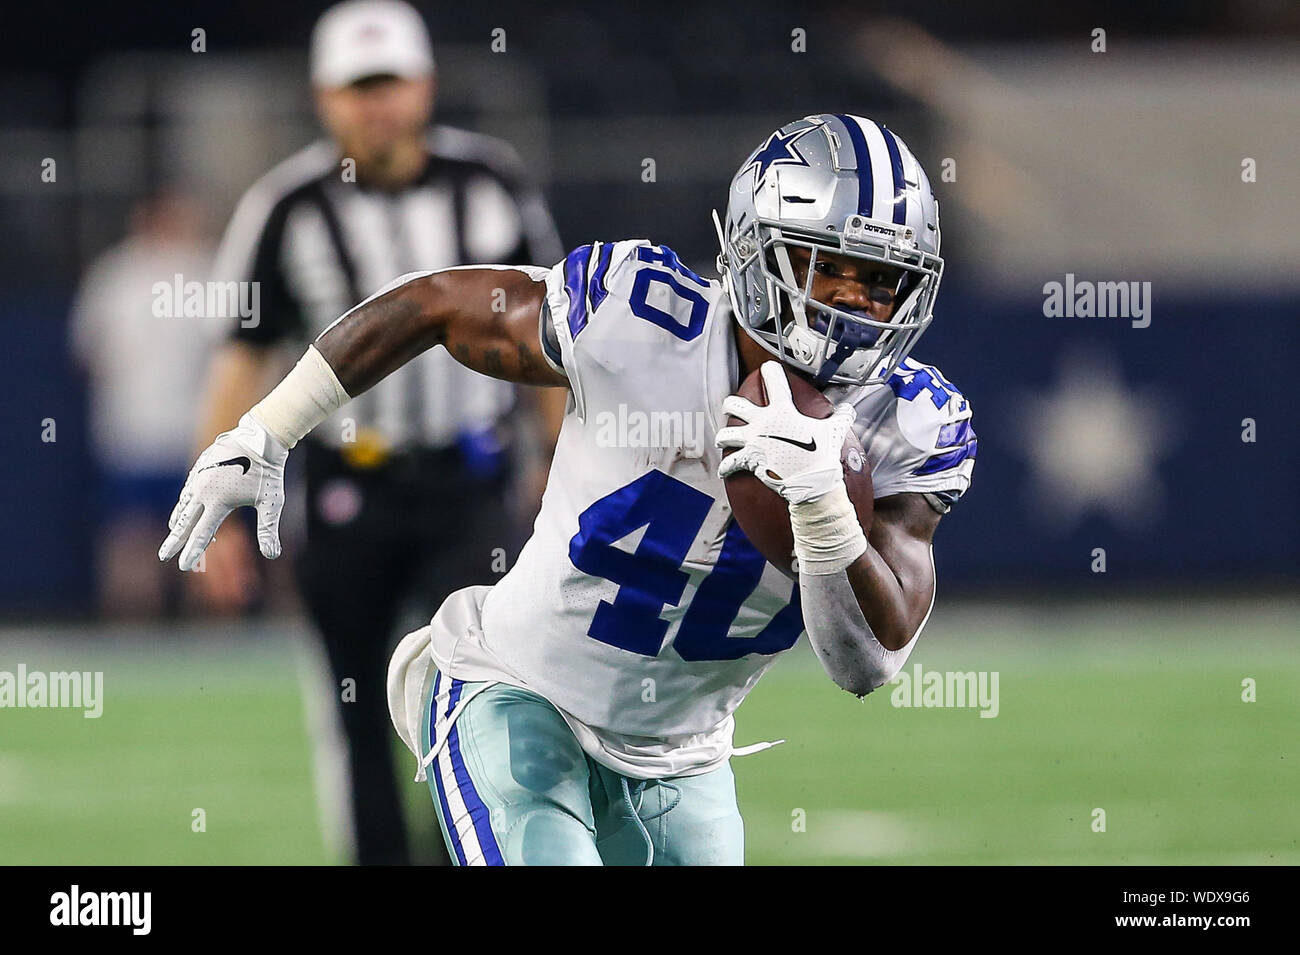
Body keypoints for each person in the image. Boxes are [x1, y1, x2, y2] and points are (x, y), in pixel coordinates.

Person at [161, 114, 977, 866]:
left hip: (683, 756)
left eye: (880, 280)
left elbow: (867, 662)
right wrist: (269, 428)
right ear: (758, 251)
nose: (854, 301)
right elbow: (435, 303)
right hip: (518, 690)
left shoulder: (904, 425)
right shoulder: (640, 319)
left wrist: (823, 508)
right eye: (826, 267)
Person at [192, 0, 562, 865]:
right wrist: (217, 508)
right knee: (355, 707)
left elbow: (556, 330)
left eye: (388, 82)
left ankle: (465, 853)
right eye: (357, 88)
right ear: (324, 98)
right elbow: (239, 360)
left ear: (425, 84)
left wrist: (559, 458)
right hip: (346, 484)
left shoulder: (493, 183)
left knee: (477, 693)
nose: (376, 105)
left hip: (471, 482)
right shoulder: (286, 207)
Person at [71, 190, 215, 618]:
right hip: (149, 432)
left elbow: (87, 356)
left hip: (182, 433)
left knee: (195, 536)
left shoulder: (200, 271)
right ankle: (135, 629)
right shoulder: (121, 276)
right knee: (141, 538)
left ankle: (195, 641)